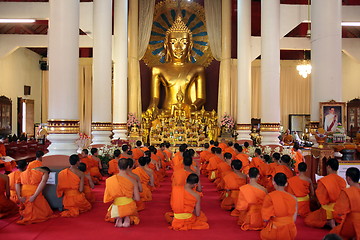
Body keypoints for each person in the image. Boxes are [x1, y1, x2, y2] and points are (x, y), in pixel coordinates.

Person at [145, 15, 206, 119]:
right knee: (148, 115)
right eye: (173, 42)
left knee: (206, 116)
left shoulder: (198, 69)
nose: (178, 47)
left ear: (190, 45)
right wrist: (152, 108)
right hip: (166, 113)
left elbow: (201, 98)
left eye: (184, 42)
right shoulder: (158, 69)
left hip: (189, 113)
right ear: (166, 45)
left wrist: (191, 107)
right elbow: (155, 98)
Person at [304, 158, 346, 228]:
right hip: (340, 211)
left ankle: (328, 222)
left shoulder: (323, 181)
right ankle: (337, 221)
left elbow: (322, 200)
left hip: (327, 211)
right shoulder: (342, 181)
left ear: (328, 167)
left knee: (308, 220)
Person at [104, 158, 140, 228]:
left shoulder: (110, 180)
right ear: (128, 167)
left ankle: (119, 217)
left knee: (116, 207)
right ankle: (126, 217)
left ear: (118, 167)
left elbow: (109, 197)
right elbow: (137, 198)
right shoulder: (133, 180)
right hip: (129, 207)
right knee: (129, 208)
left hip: (116, 207)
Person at [260, 172, 297, 240]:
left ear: (274, 182)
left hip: (275, 231)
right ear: (286, 183)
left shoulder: (269, 197)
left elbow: (265, 218)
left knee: (263, 234)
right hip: (290, 232)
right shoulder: (294, 198)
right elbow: (294, 219)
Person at [330, 167, 360, 240]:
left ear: (348, 179)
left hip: (352, 223)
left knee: (333, 234)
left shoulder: (347, 192)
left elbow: (339, 212)